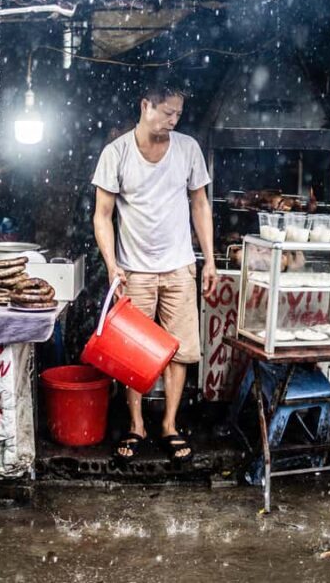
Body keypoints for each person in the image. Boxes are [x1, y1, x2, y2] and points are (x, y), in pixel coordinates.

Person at [92, 80, 217, 465]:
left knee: (178, 350)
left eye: (178, 114)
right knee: (134, 355)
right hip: (134, 271)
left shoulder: (188, 149)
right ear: (145, 105)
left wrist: (208, 259)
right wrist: (112, 265)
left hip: (179, 267)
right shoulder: (116, 154)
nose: (173, 121)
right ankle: (135, 425)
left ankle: (169, 425)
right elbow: (102, 215)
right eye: (167, 113)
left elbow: (200, 204)